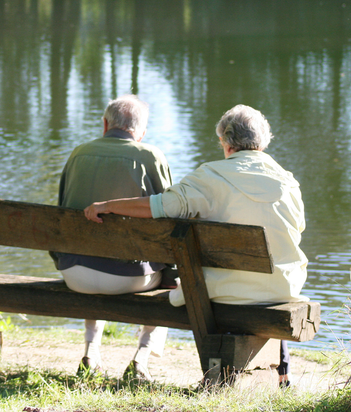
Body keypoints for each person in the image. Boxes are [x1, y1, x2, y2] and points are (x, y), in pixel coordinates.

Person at [84, 104, 308, 386]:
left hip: (227, 291)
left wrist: (108, 206)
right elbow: (296, 232)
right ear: (262, 141)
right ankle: (281, 374)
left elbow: (159, 206)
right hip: (282, 288)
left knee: (189, 285)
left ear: (224, 141)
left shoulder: (210, 176)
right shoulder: (288, 182)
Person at [52, 94, 172, 381]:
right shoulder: (150, 156)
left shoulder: (78, 153)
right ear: (141, 131)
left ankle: (91, 351)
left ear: (105, 124)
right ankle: (141, 357)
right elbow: (170, 221)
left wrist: (63, 260)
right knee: (167, 276)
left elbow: (59, 214)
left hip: (75, 273)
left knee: (94, 246)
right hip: (129, 278)